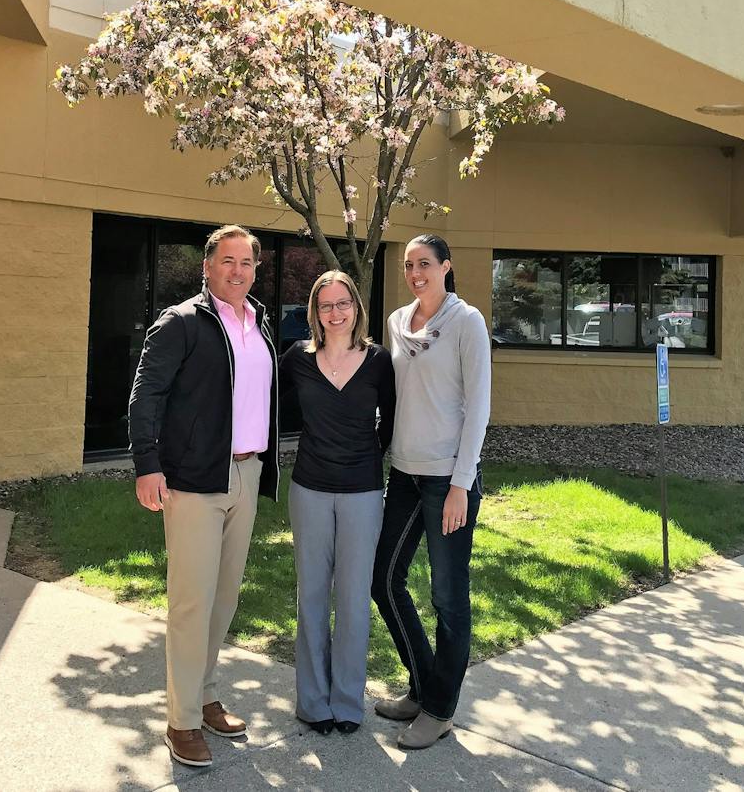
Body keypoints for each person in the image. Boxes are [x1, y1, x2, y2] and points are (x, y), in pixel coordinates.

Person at [128, 224, 280, 768]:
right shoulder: (182, 322)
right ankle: (181, 721)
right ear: (207, 267)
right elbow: (146, 394)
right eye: (228, 261)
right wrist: (148, 465)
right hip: (194, 480)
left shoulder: (258, 322)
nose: (238, 271)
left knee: (224, 598)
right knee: (191, 603)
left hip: (246, 473)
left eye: (247, 263)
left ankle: (205, 693)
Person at [371, 234, 490, 749]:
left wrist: (462, 483)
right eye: (408, 265)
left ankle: (440, 709)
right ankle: (423, 686)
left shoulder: (467, 322)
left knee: (447, 596)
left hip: (448, 480)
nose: (416, 273)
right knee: (384, 580)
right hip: (404, 473)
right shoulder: (398, 322)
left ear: (446, 266)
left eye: (425, 264)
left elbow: (479, 405)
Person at [279, 270, 394, 736]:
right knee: (311, 595)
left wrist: (364, 458)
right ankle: (312, 702)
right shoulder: (296, 359)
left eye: (342, 303)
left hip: (363, 492)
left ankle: (347, 702)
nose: (335, 312)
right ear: (315, 312)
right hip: (309, 488)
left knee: (352, 599)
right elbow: (273, 408)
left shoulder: (379, 361)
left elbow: (391, 424)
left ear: (356, 307)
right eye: (325, 305)